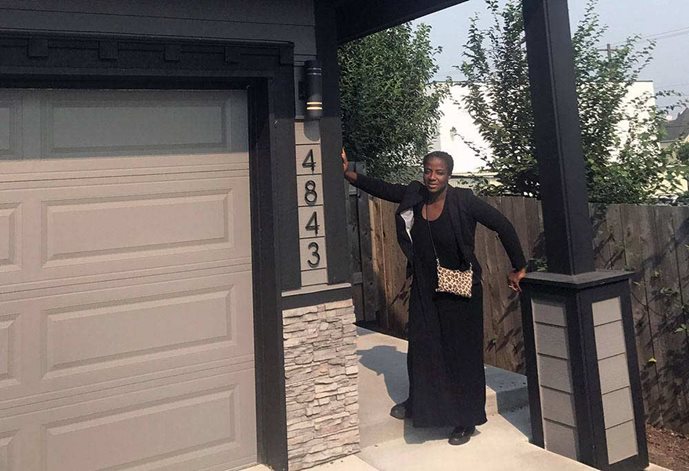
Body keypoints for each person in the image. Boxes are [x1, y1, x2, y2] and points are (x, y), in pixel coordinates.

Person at [342, 149, 527, 445]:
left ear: (448, 175)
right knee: (422, 347)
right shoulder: (415, 195)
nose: (432, 177)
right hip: (426, 287)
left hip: (460, 290)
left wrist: (518, 267)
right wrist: (350, 174)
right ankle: (419, 403)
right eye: (428, 170)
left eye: (439, 172)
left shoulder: (463, 200)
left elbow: (502, 225)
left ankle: (465, 420)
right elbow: (387, 189)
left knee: (460, 355)